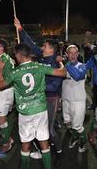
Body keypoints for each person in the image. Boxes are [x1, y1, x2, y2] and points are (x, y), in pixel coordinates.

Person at [0, 43, 66, 169]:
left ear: (18, 55)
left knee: (25, 144)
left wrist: (0, 69)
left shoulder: (15, 72)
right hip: (40, 110)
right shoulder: (39, 66)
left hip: (25, 113)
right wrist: (61, 63)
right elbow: (62, 73)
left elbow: (0, 85)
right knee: (44, 142)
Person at [14, 17, 64, 164]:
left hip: (51, 99)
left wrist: (36, 88)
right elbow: (30, 44)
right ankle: (46, 149)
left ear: (52, 50)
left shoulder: (56, 62)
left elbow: (54, 86)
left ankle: (59, 152)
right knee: (43, 130)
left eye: (46, 46)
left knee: (49, 129)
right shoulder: (42, 58)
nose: (42, 48)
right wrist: (20, 28)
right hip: (39, 99)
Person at [61, 45, 88, 153]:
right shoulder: (62, 67)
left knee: (77, 126)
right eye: (70, 53)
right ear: (67, 54)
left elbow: (77, 77)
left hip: (78, 101)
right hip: (66, 99)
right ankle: (76, 137)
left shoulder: (82, 66)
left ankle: (83, 141)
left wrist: (66, 64)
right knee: (67, 123)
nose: (72, 55)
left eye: (74, 53)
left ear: (77, 54)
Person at [0, 38, 15, 152]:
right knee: (3, 117)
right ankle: (7, 137)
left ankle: (7, 143)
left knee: (1, 118)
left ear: (1, 48)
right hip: (9, 90)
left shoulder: (2, 59)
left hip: (4, 91)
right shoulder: (7, 57)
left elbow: (2, 78)